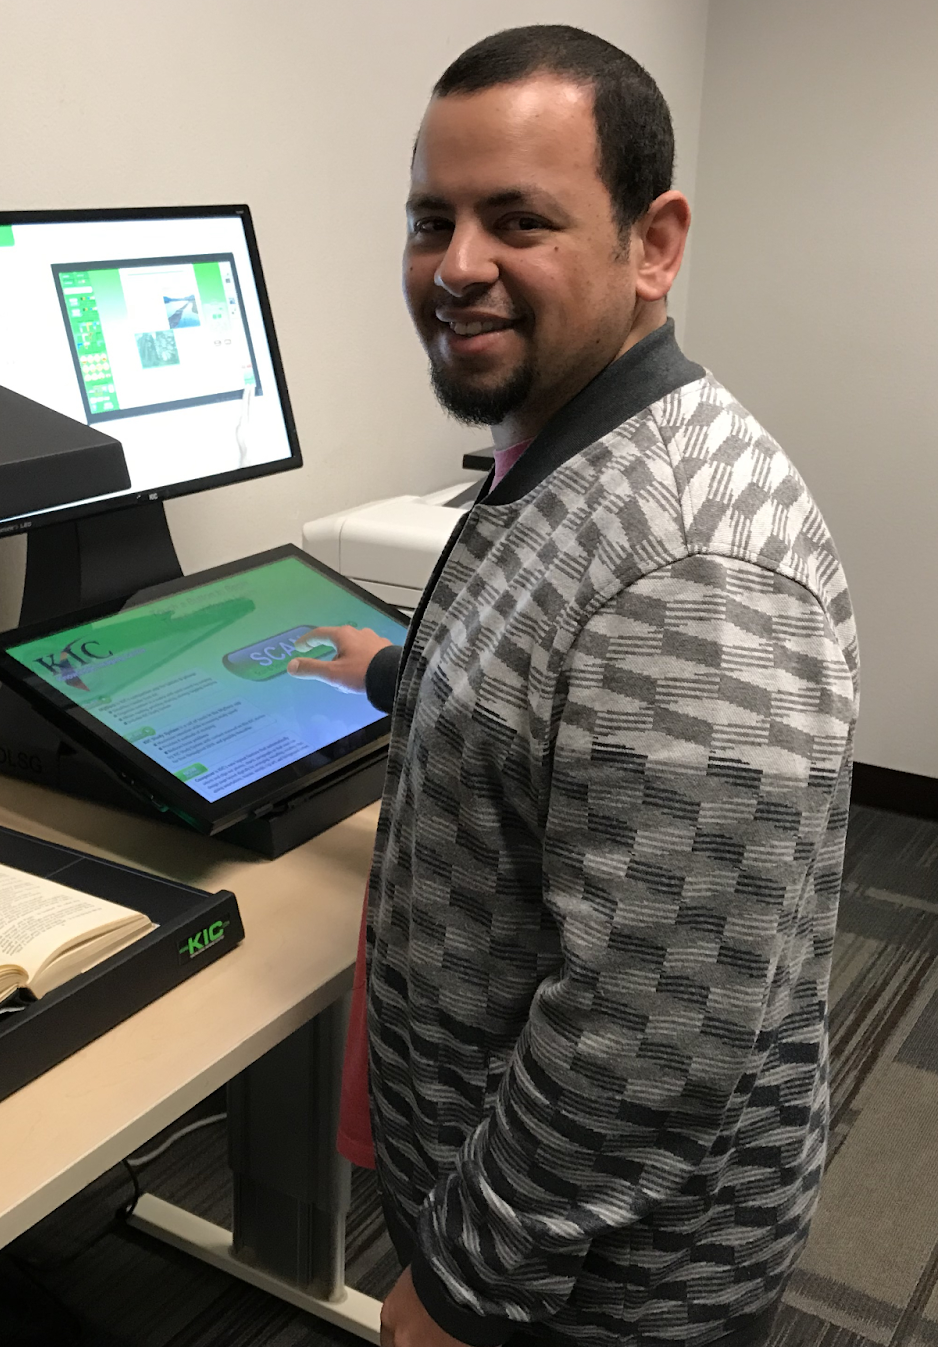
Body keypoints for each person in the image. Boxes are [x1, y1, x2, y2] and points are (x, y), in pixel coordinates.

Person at [287, 25, 857, 1347]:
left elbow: (649, 1037)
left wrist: (466, 1287)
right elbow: (551, 691)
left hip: (602, 1285)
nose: (459, 265)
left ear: (653, 244)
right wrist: (400, 676)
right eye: (435, 219)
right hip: (529, 1215)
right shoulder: (562, 443)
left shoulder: (695, 571)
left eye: (518, 220)